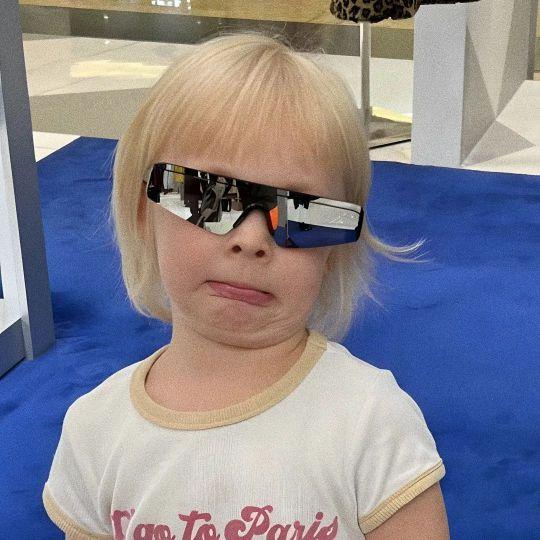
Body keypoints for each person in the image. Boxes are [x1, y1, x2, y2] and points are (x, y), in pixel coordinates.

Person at [42, 30, 450, 539]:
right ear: (143, 213)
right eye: (210, 197)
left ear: (331, 252)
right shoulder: (95, 430)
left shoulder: (372, 420)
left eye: (301, 213)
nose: (251, 239)